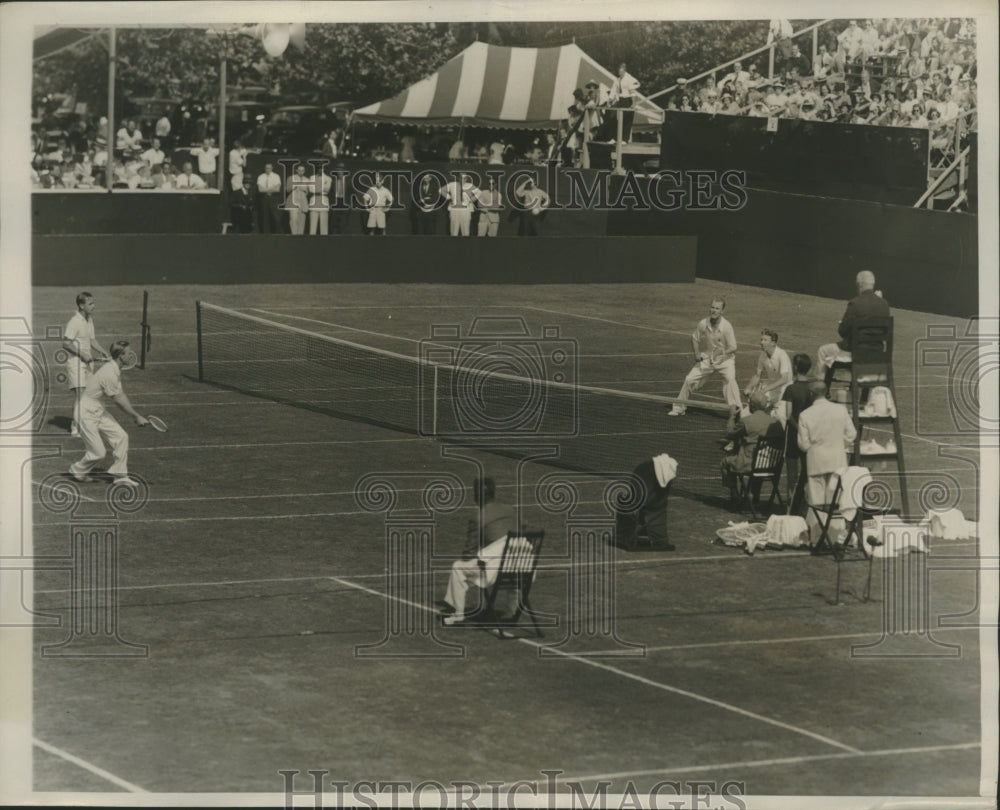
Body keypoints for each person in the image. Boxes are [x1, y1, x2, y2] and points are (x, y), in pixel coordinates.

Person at [68, 340, 148, 487]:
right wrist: (136, 416)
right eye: (129, 353)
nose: (131, 356)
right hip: (85, 413)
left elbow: (121, 394)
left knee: (121, 437)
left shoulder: (114, 369)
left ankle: (120, 476)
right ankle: (78, 470)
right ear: (121, 356)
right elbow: (118, 400)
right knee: (98, 453)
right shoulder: (110, 373)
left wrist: (136, 415)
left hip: (98, 410)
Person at [440, 477, 516, 625]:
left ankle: (457, 613)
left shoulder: (478, 517)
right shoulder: (510, 509)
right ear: (493, 493)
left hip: (497, 569)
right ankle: (512, 611)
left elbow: (468, 553)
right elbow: (522, 530)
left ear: (476, 496)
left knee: (458, 567)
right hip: (521, 567)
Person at [668, 298, 742, 416]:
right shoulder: (703, 323)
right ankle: (679, 407)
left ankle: (738, 413)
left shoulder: (727, 326)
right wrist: (697, 354)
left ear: (722, 311)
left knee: (730, 380)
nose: (714, 310)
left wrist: (721, 353)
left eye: (717, 308)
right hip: (708, 358)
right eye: (712, 307)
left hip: (725, 361)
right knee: (689, 379)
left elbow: (733, 347)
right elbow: (695, 338)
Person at [797, 380, 857, 519]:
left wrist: (816, 447)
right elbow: (851, 434)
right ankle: (835, 534)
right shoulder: (840, 410)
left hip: (816, 461)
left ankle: (818, 535)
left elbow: (803, 444)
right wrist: (839, 444)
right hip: (837, 461)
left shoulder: (805, 415)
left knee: (817, 503)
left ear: (811, 394)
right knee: (836, 502)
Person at [817, 270, 891, 371]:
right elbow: (885, 330)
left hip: (856, 352)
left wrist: (843, 324)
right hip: (876, 352)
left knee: (823, 351)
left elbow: (842, 331)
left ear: (860, 284)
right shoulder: (884, 305)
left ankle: (819, 385)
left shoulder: (855, 303)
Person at [63, 292, 110, 437]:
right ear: (81, 305)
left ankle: (84, 424)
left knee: (89, 396)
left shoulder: (89, 320)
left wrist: (104, 353)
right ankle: (75, 427)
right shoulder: (74, 322)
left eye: (93, 303)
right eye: (90, 304)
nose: (93, 306)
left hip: (88, 363)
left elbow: (92, 340)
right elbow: (65, 343)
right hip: (76, 363)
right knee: (80, 396)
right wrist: (82, 354)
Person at [720, 394, 782, 501]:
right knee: (759, 461)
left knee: (725, 463)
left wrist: (732, 416)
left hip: (749, 462)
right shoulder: (776, 423)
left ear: (752, 406)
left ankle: (734, 493)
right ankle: (755, 495)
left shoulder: (747, 421)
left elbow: (730, 433)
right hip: (772, 464)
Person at [615, 454, 677, 550]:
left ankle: (657, 538)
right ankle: (623, 535)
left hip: (654, 473)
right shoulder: (645, 470)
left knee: (657, 506)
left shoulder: (668, 471)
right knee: (636, 502)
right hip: (644, 473)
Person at [780, 354, 814, 516]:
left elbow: (788, 415)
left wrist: (798, 429)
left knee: (791, 478)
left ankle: (789, 511)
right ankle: (805, 510)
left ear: (795, 368)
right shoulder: (812, 390)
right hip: (810, 438)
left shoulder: (790, 389)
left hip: (794, 437)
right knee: (807, 475)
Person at [744, 328, 793, 420]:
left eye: (765, 340)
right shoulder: (762, 355)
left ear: (773, 343)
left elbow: (784, 379)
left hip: (785, 390)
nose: (761, 342)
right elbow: (757, 375)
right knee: (748, 412)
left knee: (780, 416)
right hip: (771, 389)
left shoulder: (782, 355)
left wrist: (764, 390)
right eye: (761, 339)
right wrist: (749, 387)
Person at [609, 63, 641, 143]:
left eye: (621, 72)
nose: (620, 73)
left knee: (627, 120)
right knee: (615, 118)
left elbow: (632, 91)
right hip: (620, 100)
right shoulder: (617, 79)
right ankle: (615, 138)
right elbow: (613, 90)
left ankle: (624, 139)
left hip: (628, 100)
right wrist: (610, 100)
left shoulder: (629, 78)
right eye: (619, 72)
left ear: (624, 71)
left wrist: (633, 103)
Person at [256, 163, 283, 233]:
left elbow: (277, 189)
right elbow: (260, 189)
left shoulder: (276, 176)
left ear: (272, 168)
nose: (268, 169)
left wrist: (267, 190)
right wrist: (271, 189)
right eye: (266, 168)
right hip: (264, 198)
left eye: (269, 168)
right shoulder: (261, 177)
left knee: (275, 217)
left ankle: (275, 234)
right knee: (264, 217)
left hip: (274, 198)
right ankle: (265, 234)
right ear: (265, 169)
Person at [285, 164, 310, 236]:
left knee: (302, 221)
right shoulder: (291, 178)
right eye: (299, 170)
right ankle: (294, 236)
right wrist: (295, 185)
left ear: (304, 171)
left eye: (302, 170)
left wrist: (304, 191)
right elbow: (288, 189)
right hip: (293, 201)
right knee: (293, 219)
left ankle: (300, 237)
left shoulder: (307, 179)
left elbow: (308, 192)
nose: (301, 172)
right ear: (296, 170)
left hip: (303, 201)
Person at [308, 167, 332, 236]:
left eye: (321, 168)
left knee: (324, 228)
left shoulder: (328, 178)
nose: (320, 169)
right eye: (318, 167)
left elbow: (327, 189)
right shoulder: (312, 177)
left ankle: (324, 244)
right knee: (312, 228)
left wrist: (316, 188)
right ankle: (311, 243)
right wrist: (321, 188)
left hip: (324, 202)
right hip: (314, 202)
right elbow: (311, 189)